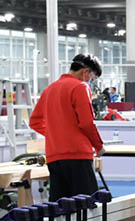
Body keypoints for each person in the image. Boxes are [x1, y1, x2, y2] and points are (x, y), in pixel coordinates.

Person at [30, 54, 105, 202]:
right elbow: (87, 123)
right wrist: (99, 146)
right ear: (85, 71)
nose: (90, 81)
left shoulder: (49, 89)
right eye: (92, 77)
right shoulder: (80, 87)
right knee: (86, 205)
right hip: (78, 155)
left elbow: (35, 122)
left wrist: (56, 133)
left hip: (54, 156)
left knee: (60, 207)